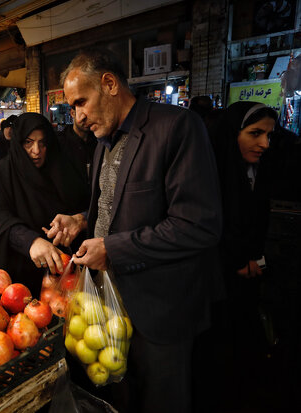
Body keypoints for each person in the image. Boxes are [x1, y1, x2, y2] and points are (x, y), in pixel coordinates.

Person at [47, 49, 222, 413]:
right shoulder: (102, 144)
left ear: (109, 84)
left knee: (161, 401)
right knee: (123, 398)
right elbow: (118, 207)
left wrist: (112, 248)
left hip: (160, 312)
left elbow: (197, 225)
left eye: (81, 102)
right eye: (72, 108)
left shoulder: (175, 127)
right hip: (112, 310)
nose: (77, 118)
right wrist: (81, 219)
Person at [200, 102, 278, 412]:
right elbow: (208, 232)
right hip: (217, 290)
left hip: (248, 284)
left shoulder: (259, 171)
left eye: (269, 135)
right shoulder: (211, 177)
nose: (264, 144)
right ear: (232, 134)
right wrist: (234, 262)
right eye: (255, 134)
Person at [0, 113, 89, 296]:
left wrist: (76, 222)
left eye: (42, 143)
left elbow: (83, 205)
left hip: (61, 274)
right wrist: (30, 241)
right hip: (17, 275)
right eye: (28, 142)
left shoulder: (62, 170)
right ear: (17, 143)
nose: (36, 150)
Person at [58, 107, 97, 187]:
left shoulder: (99, 141)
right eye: (82, 114)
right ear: (72, 113)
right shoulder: (59, 142)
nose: (87, 119)